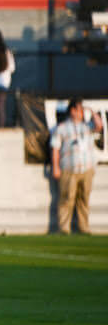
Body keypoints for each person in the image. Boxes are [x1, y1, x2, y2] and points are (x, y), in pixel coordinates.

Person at [51, 98, 103, 235]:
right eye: (78, 109)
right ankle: (63, 228)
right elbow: (55, 148)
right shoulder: (61, 128)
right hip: (69, 168)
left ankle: (84, 227)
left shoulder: (87, 126)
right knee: (66, 198)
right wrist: (55, 167)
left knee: (84, 199)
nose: (80, 113)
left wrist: (91, 111)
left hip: (86, 168)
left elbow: (99, 125)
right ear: (72, 110)